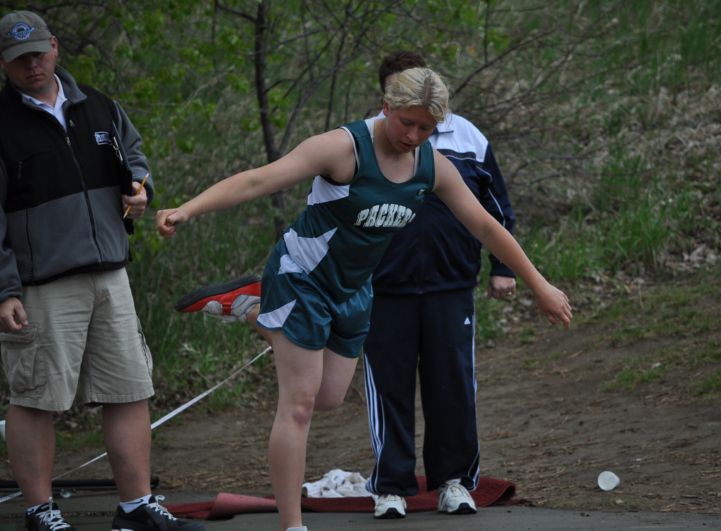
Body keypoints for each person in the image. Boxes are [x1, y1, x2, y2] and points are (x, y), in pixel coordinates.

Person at [157, 65, 571, 531]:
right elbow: (258, 180)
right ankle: (292, 525)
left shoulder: (432, 165)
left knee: (330, 397)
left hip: (354, 289)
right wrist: (187, 208)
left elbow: (485, 225)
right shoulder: (342, 148)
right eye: (406, 123)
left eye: (426, 128)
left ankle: (251, 305)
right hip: (303, 278)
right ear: (386, 107)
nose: (413, 136)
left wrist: (540, 285)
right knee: (299, 404)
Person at [0, 11, 204, 531]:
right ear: (5, 65)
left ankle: (135, 507)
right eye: (19, 60)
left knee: (130, 388)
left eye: (38, 53)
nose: (32, 66)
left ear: (56, 47)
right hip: (41, 283)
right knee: (37, 398)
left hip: (112, 273)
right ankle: (40, 513)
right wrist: (5, 290)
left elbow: (133, 158)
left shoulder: (99, 106)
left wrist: (138, 188)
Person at [360, 50, 519, 519]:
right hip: (384, 289)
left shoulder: (466, 136)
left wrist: (503, 267)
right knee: (388, 387)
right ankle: (391, 487)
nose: (414, 130)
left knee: (452, 385)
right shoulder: (362, 141)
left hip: (451, 284)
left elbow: (495, 206)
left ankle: (453, 482)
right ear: (387, 99)